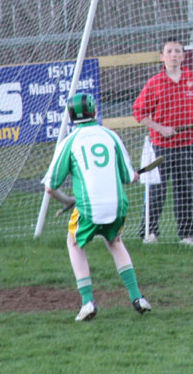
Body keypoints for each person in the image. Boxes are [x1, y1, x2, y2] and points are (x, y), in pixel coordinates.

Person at [42, 92, 151, 322]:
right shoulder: (110, 135)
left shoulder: (69, 142)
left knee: (73, 243)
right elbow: (129, 177)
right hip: (118, 205)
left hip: (89, 208)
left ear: (71, 116)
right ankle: (137, 297)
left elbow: (50, 187)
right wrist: (134, 176)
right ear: (94, 111)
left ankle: (87, 302)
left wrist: (68, 199)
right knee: (115, 242)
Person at [132, 39, 193, 246]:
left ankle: (187, 234)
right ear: (162, 56)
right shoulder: (154, 83)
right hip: (160, 147)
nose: (174, 54)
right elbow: (139, 113)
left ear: (183, 56)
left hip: (186, 146)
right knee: (156, 192)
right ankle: (149, 233)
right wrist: (160, 128)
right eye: (169, 51)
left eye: (178, 51)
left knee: (185, 191)